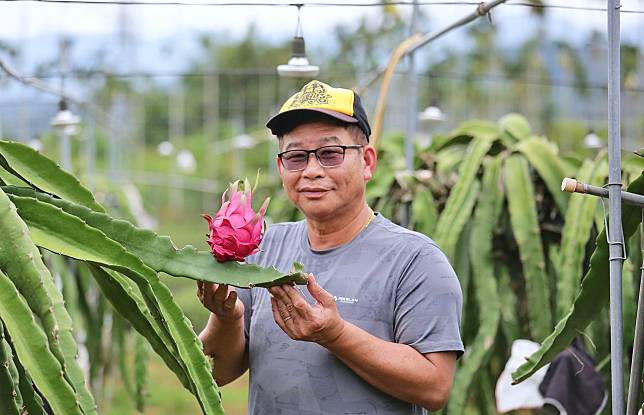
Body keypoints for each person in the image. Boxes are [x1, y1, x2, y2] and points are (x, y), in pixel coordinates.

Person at [197, 80, 464, 414]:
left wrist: (335, 335)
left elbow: (435, 386)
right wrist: (228, 318)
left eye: (329, 154)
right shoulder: (263, 249)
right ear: (282, 168)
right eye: (296, 157)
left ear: (367, 162)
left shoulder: (416, 261)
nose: (311, 171)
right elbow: (218, 374)